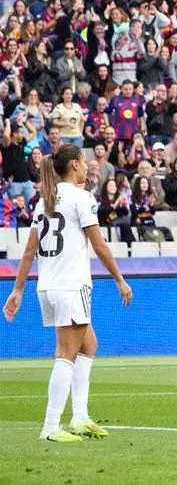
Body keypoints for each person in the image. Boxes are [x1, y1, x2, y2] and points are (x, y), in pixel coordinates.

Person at [3, 144, 133, 442]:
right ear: (74, 164)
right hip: (71, 285)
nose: (87, 167)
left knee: (89, 345)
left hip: (48, 285)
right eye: (84, 162)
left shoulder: (44, 201)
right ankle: (50, 427)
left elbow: (29, 250)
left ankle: (80, 416)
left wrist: (18, 290)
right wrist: (119, 280)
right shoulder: (81, 198)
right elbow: (99, 245)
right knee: (66, 354)